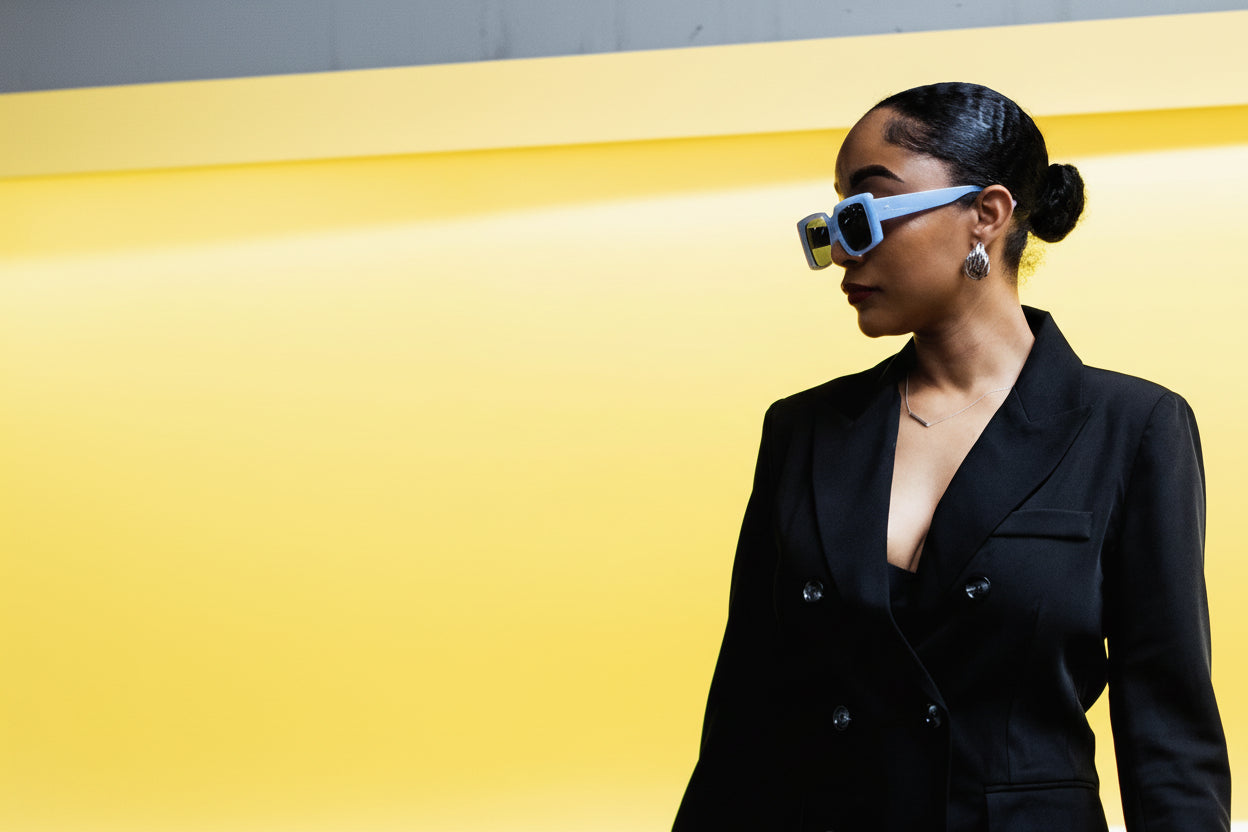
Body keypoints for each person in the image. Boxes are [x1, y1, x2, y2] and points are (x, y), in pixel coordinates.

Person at [672, 82, 1231, 831]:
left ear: (986, 215)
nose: (841, 248)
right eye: (833, 221)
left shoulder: (1133, 427)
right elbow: (744, 723)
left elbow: (1170, 740)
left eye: (864, 212)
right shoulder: (804, 430)